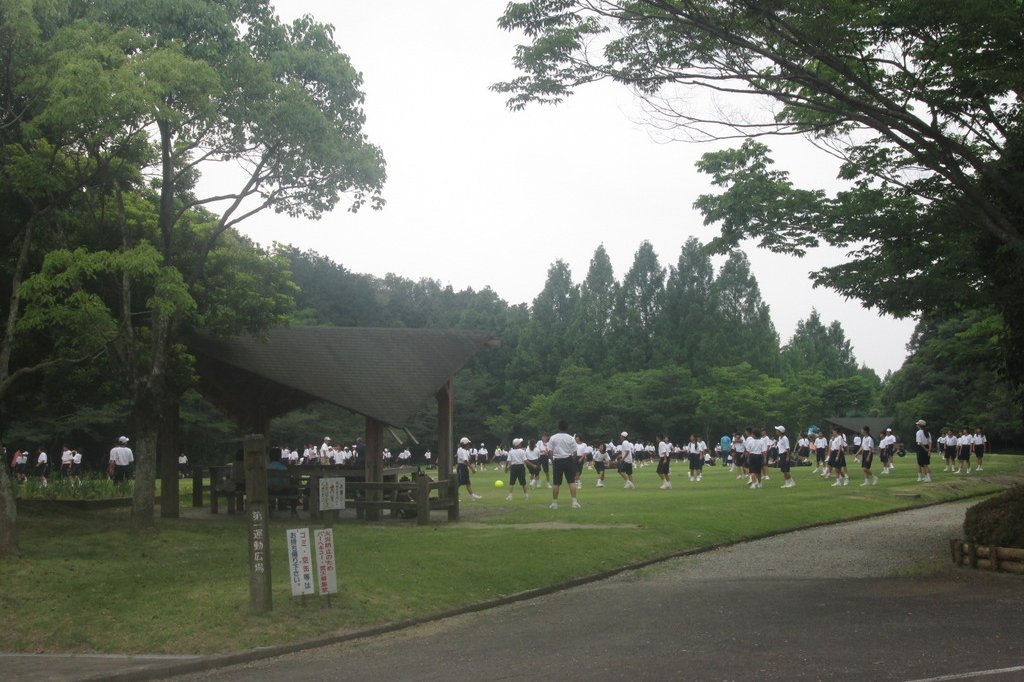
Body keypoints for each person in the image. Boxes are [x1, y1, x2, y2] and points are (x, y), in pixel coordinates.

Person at [548, 420, 581, 509]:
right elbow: (575, 452)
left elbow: (550, 451)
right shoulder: (570, 438)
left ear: (558, 427)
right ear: (567, 427)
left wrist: (552, 461)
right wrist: (572, 461)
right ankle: (574, 502)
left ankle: (555, 503)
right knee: (571, 482)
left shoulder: (553, 437)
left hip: (557, 460)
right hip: (568, 460)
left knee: (556, 483)